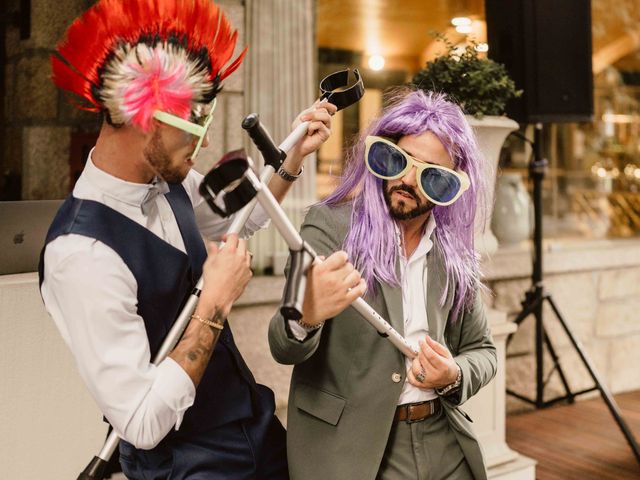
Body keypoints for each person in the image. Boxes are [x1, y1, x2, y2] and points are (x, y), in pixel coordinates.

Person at [39, 0, 336, 478]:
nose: (205, 139)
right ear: (148, 118)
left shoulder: (170, 181)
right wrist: (214, 305)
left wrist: (291, 155)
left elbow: (245, 217)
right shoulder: (81, 255)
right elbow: (141, 422)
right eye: (196, 121)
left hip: (255, 432)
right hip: (187, 465)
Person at [269, 88, 497, 480]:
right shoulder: (331, 226)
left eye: (430, 175)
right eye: (397, 161)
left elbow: (482, 350)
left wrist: (453, 374)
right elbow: (282, 346)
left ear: (450, 187)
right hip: (352, 450)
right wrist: (307, 315)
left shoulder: (452, 253)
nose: (408, 180)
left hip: (443, 443)